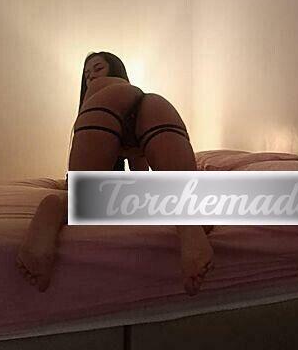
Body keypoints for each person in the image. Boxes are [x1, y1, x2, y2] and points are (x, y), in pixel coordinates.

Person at [15, 51, 214, 296]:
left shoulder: (99, 93)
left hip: (107, 105)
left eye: (97, 69)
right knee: (185, 189)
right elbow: (141, 176)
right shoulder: (131, 91)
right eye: (87, 75)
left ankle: (57, 205)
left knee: (80, 197)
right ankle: (188, 222)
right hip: (157, 105)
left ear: (115, 69)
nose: (91, 77)